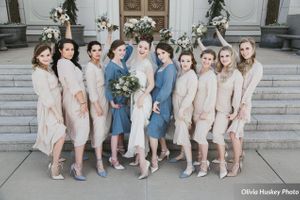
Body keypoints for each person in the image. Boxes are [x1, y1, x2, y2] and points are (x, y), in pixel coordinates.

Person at [52, 37, 89, 181]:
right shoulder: (65, 64)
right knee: (82, 130)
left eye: (72, 49)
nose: (70, 52)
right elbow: (74, 85)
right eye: (66, 49)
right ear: (60, 50)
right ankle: (77, 167)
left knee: (77, 130)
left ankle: (77, 157)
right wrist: (82, 103)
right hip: (75, 101)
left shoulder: (65, 63)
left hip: (72, 99)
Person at [31, 44, 66, 180]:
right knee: (60, 133)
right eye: (42, 55)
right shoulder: (38, 73)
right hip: (49, 108)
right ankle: (54, 166)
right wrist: (57, 114)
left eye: (48, 55)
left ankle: (55, 157)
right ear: (36, 57)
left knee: (57, 133)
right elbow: (46, 95)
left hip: (56, 105)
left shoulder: (48, 69)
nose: (46, 58)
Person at [123, 35, 155, 179]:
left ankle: (143, 164)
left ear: (149, 50)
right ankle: (139, 157)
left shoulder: (147, 64)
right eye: (140, 47)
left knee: (138, 128)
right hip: (134, 98)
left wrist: (142, 97)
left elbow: (151, 84)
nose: (142, 49)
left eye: (145, 48)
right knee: (138, 128)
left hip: (143, 99)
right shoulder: (134, 62)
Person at [212, 46, 243, 179]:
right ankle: (222, 157)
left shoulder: (236, 74)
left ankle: (230, 163)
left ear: (232, 57)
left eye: (227, 56)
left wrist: (235, 111)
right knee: (216, 134)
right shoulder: (219, 70)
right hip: (213, 108)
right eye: (222, 56)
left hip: (225, 110)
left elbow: (237, 95)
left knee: (220, 134)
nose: (224, 59)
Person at [147, 42, 177, 173]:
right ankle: (164, 150)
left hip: (162, 102)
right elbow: (153, 57)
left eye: (163, 53)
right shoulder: (162, 65)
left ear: (169, 52)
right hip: (155, 100)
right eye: (158, 54)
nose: (160, 56)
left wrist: (157, 101)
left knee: (153, 129)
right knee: (157, 128)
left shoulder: (170, 68)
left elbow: (167, 88)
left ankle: (153, 158)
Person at [85, 38, 112, 177]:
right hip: (97, 102)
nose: (97, 52)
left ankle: (100, 149)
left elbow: (107, 50)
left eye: (98, 50)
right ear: (89, 53)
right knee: (99, 128)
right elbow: (91, 89)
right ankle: (99, 161)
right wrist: (96, 106)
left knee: (105, 127)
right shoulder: (90, 68)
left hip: (105, 98)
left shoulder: (100, 63)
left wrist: (108, 34)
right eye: (94, 50)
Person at [105, 39, 133, 170]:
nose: (123, 52)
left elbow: (130, 50)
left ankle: (120, 150)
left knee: (121, 128)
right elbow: (108, 85)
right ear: (113, 50)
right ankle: (114, 158)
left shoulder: (122, 61)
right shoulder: (111, 66)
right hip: (117, 103)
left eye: (124, 50)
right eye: (119, 50)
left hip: (125, 101)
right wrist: (111, 102)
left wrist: (130, 41)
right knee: (116, 131)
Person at [172, 51, 198, 178]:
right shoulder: (180, 71)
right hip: (177, 105)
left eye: (188, 61)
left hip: (185, 107)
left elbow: (190, 95)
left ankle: (190, 166)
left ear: (192, 62)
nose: (185, 63)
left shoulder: (192, 75)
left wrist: (182, 109)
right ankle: (182, 154)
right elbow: (173, 60)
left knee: (184, 134)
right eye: (183, 61)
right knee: (182, 132)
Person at [192, 49, 217, 177]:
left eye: (209, 59)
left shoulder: (211, 76)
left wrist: (206, 112)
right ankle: (200, 157)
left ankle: (204, 164)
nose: (206, 61)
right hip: (196, 111)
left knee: (201, 137)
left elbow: (211, 96)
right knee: (198, 137)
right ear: (201, 58)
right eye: (205, 58)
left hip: (205, 113)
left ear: (213, 61)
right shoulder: (199, 72)